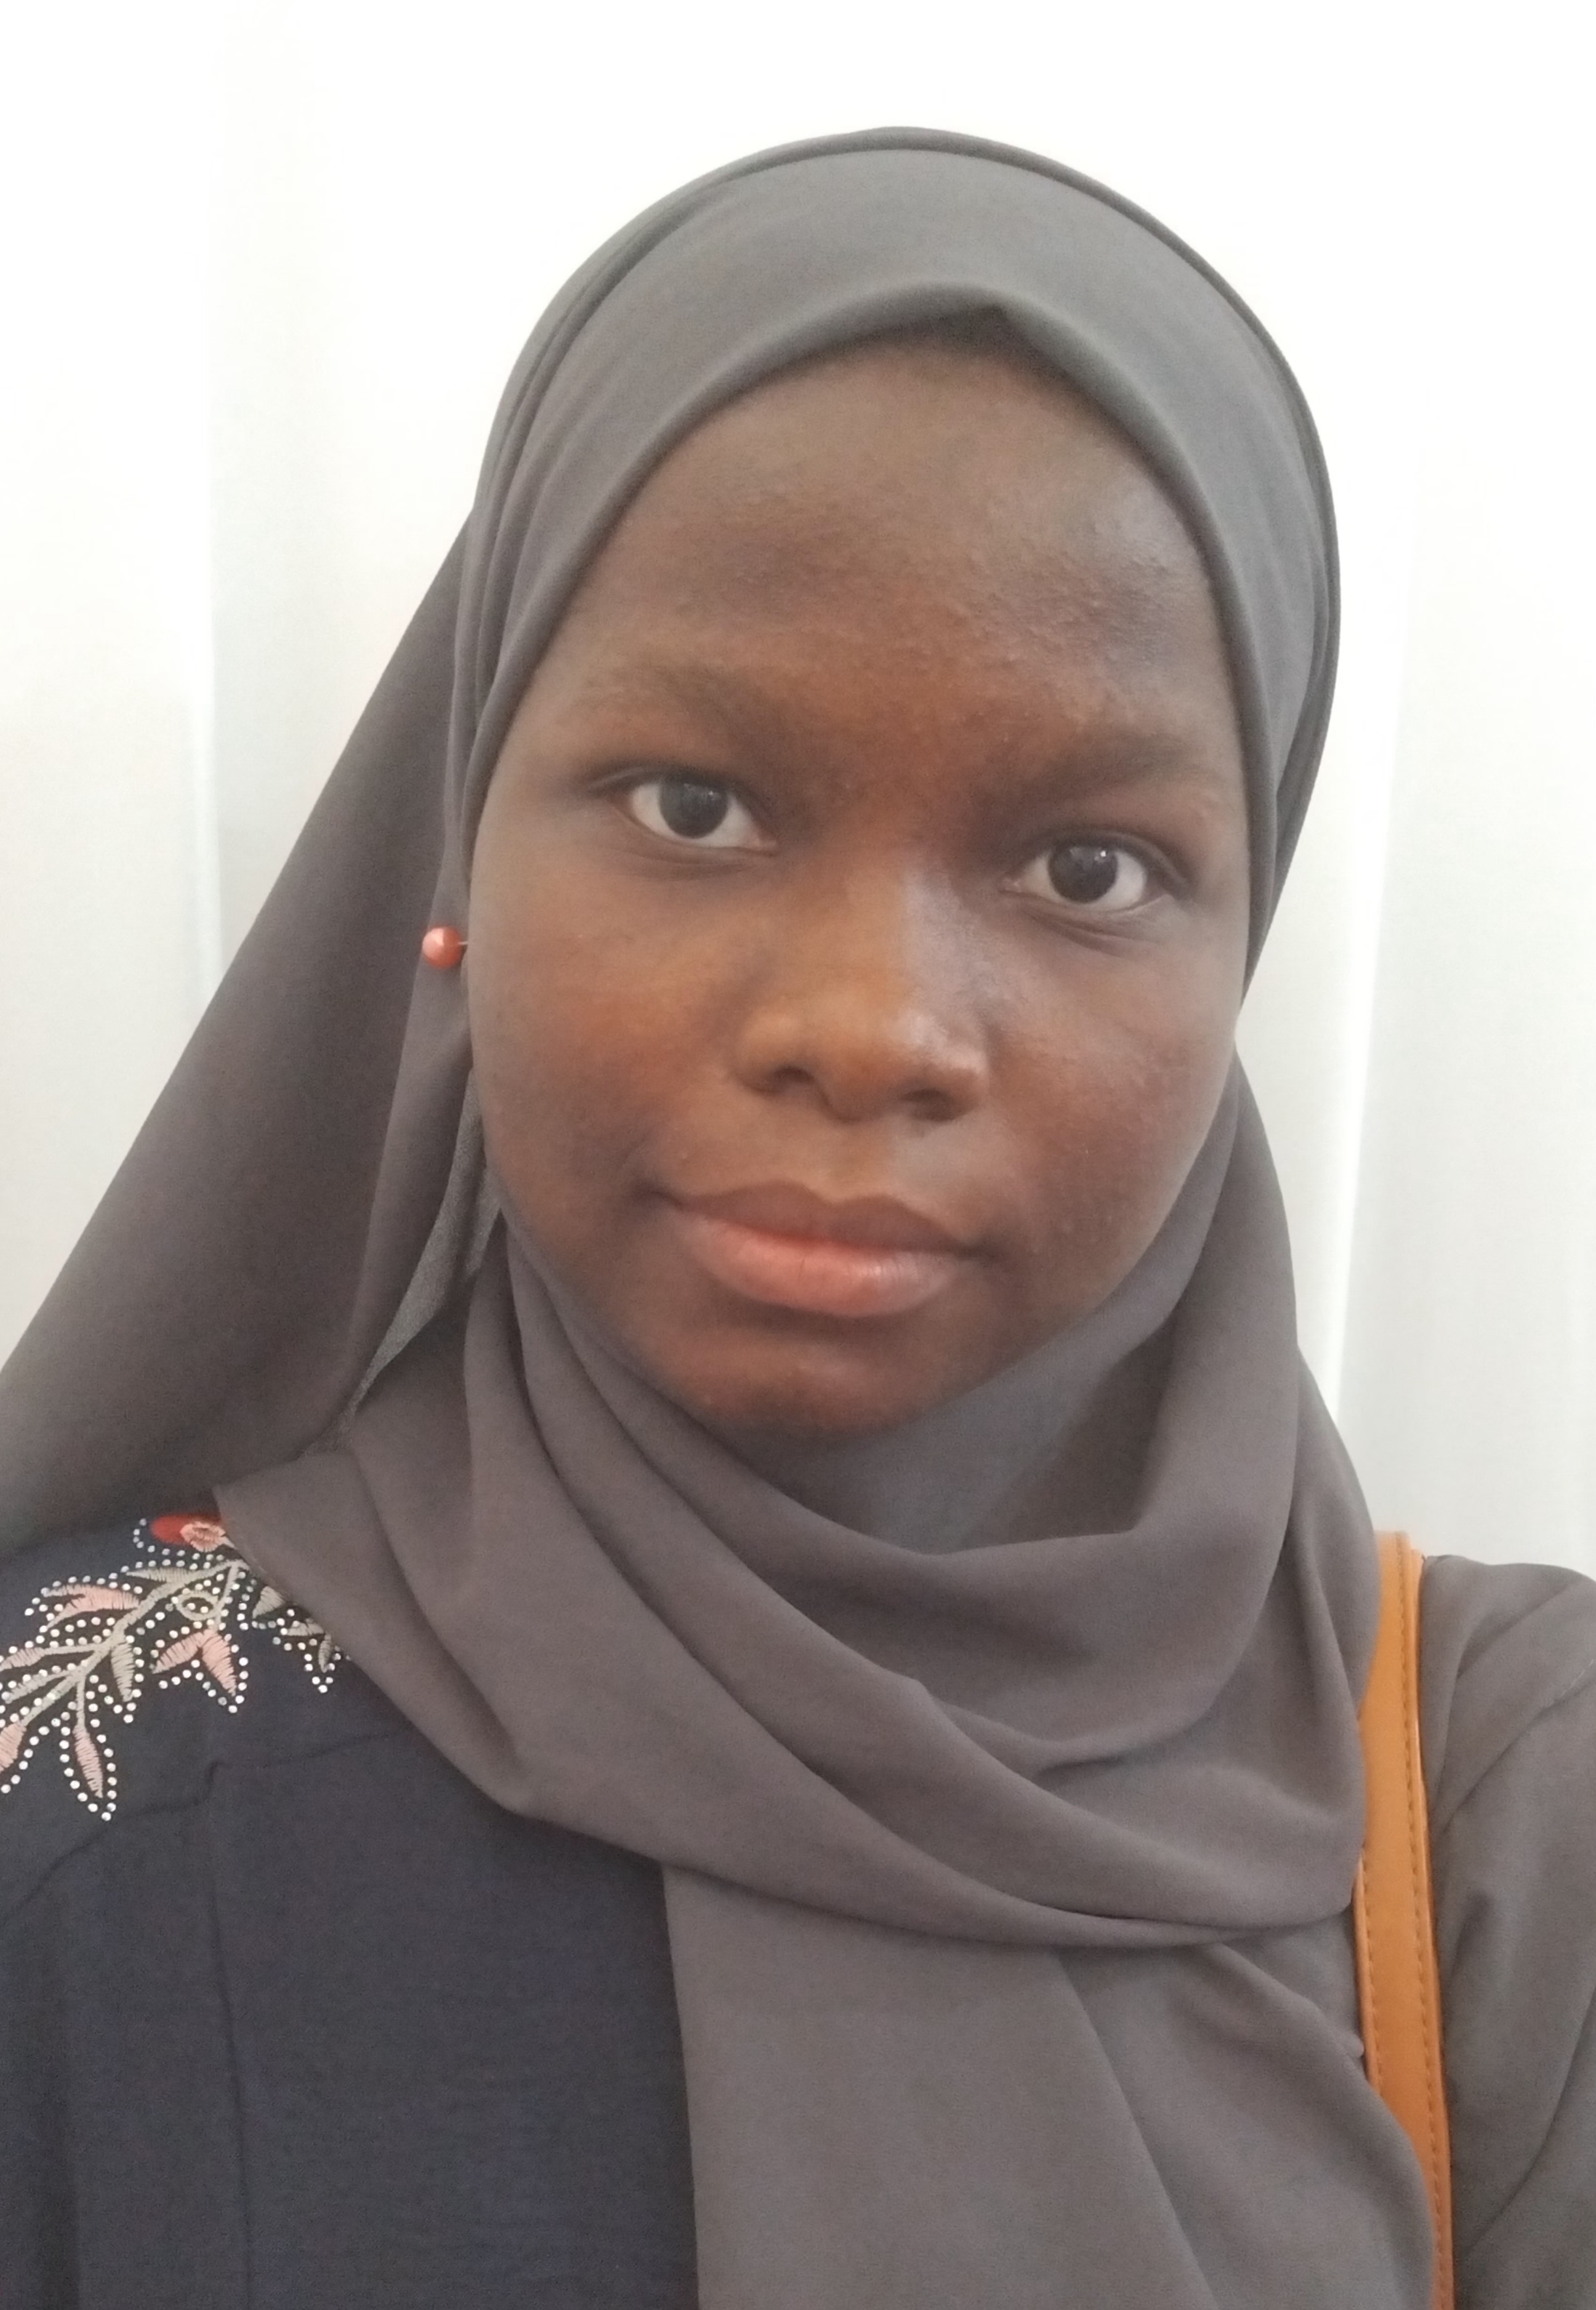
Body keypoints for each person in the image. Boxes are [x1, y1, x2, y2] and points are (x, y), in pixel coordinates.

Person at [1, 127, 1592, 2310]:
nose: (871, 1030)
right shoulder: (96, 1783)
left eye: (1088, 866)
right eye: (698, 804)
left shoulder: (1509, 1809)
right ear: (457, 864)